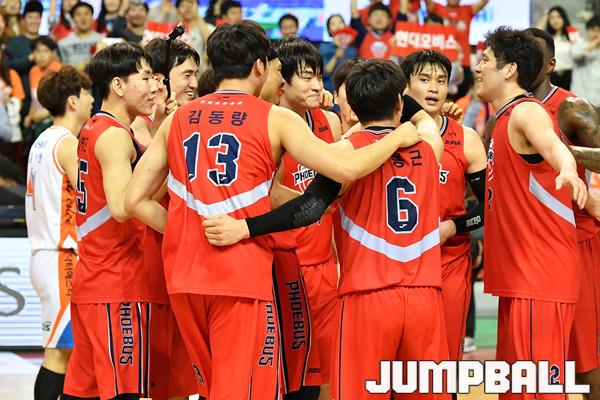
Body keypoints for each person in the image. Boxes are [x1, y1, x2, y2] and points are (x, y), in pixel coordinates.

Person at [124, 21, 422, 399]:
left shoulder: (178, 119)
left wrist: (186, 232)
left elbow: (133, 201)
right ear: (258, 67)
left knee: (214, 389)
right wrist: (399, 135)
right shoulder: (273, 117)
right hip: (240, 276)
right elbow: (346, 168)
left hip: (184, 277)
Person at [199, 58, 448, 400]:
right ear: (399, 102)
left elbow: (310, 208)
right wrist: (400, 104)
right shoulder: (430, 147)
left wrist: (246, 227)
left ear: (353, 108)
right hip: (425, 296)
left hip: (367, 296)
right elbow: (426, 122)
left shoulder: (344, 152)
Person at [476, 26, 586, 399]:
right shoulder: (502, 118)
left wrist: (568, 169)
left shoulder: (526, 112)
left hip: (539, 275)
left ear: (509, 69)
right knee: (515, 390)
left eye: (485, 59)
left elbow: (555, 148)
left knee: (538, 390)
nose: (478, 67)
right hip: (520, 276)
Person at [61, 42, 159, 399]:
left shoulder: (94, 127)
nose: (154, 86)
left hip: (94, 278)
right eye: (145, 78)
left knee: (81, 393)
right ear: (118, 85)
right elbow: (121, 206)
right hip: (116, 283)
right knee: (124, 392)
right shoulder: (115, 135)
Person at [526, 26, 600, 400]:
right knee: (534, 361)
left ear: (551, 64)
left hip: (576, 239)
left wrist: (559, 152)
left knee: (585, 358)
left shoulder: (572, 107)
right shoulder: (506, 111)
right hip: (529, 247)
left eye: (533, 56)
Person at [401, 49, 487, 363]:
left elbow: (490, 205)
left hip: (449, 260)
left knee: (446, 359)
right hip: (399, 263)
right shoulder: (389, 134)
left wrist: (453, 226)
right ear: (406, 86)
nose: (434, 88)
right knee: (404, 364)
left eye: (441, 80)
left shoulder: (466, 138)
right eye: (424, 79)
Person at [270, 36, 341, 400]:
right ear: (281, 82)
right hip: (285, 265)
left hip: (326, 265)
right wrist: (312, 204)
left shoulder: (330, 121)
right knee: (289, 379)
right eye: (307, 77)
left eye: (319, 77)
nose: (316, 85)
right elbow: (268, 194)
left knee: (328, 372)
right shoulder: (268, 125)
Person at [25, 65, 94, 400]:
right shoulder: (67, 144)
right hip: (60, 256)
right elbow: (91, 195)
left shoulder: (42, 140)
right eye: (86, 93)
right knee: (60, 354)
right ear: (72, 101)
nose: (92, 99)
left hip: (45, 254)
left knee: (68, 353)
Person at [425, 0, 490, 99]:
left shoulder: (467, 10)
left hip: (463, 64)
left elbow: (483, 2)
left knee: (459, 102)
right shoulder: (437, 8)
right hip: (440, 63)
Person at [6, 0, 42, 120]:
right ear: (23, 20)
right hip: (21, 100)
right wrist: (30, 58)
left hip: (45, 102)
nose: (34, 21)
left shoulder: (47, 42)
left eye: (37, 17)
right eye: (30, 17)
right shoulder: (13, 42)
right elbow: (9, 65)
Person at [24, 36, 63, 140]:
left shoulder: (60, 70)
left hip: (55, 121)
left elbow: (63, 99)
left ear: (53, 53)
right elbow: (35, 99)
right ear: (33, 54)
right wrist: (30, 116)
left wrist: (44, 115)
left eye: (45, 51)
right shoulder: (33, 71)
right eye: (38, 51)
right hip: (38, 122)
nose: (41, 55)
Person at [58, 2, 105, 71]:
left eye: (86, 13)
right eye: (78, 14)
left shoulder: (103, 40)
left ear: (92, 17)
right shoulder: (62, 44)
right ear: (73, 19)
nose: (83, 18)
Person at [541, 6, 576, 90]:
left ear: (564, 18)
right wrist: (545, 17)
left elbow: (580, 52)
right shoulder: (547, 38)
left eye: (558, 17)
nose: (555, 20)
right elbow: (534, 35)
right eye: (552, 17)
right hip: (551, 76)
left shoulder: (572, 33)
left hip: (570, 76)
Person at [320, 14, 357, 93]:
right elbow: (324, 73)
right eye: (333, 23)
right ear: (329, 30)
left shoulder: (352, 51)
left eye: (340, 22)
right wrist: (336, 57)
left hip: (348, 91)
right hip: (329, 90)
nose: (337, 25)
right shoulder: (324, 48)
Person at [570, 15, 600, 108]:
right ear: (587, 30)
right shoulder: (579, 44)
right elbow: (577, 56)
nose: (596, 33)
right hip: (581, 98)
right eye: (593, 30)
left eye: (599, 30)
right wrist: (597, 41)